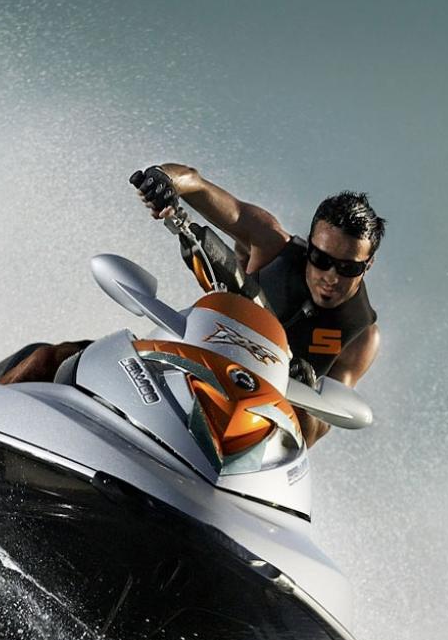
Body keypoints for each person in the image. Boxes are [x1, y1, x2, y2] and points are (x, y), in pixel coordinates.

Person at [138, 164, 383, 446]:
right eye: (321, 259)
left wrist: (306, 391)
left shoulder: (360, 337)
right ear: (310, 246)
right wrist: (162, 181)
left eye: (348, 268)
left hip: (248, 432)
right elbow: (194, 183)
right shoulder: (270, 246)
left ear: (368, 265)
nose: (331, 277)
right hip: (190, 367)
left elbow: (311, 436)